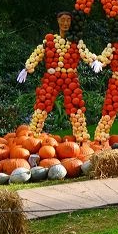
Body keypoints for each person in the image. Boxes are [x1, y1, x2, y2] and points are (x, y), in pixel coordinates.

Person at [16, 11, 97, 141]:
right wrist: (27, 68)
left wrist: (94, 61)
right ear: (58, 21)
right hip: (51, 78)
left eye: (68, 20)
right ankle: (32, 137)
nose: (65, 23)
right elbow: (38, 53)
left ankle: (81, 138)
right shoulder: (49, 40)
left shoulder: (76, 41)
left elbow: (85, 53)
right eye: (63, 19)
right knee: (42, 104)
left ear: (71, 22)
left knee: (76, 107)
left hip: (70, 78)